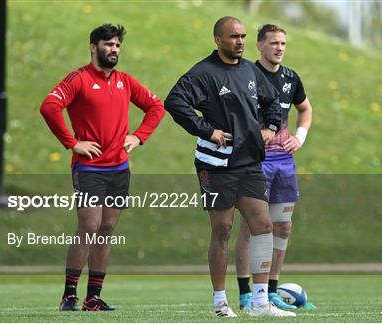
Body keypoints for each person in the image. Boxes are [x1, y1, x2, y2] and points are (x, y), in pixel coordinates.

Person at [164, 17, 295, 318]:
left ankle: (261, 303)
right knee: (222, 230)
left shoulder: (250, 69)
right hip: (216, 164)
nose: (240, 41)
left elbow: (272, 100)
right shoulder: (203, 73)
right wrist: (206, 131)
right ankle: (220, 302)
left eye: (243, 36)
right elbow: (175, 102)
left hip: (248, 162)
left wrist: (271, 128)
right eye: (233, 36)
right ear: (218, 39)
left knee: (263, 226)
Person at [40, 24, 165, 311]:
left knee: (107, 228)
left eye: (117, 45)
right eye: (108, 44)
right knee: (89, 226)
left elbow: (156, 106)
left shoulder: (125, 80)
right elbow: (49, 106)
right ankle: (69, 295)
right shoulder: (79, 79)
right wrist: (72, 142)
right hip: (89, 169)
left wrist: (138, 136)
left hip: (119, 168)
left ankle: (92, 298)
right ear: (93, 46)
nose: (114, 50)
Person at [234, 24, 314, 310]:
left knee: (283, 226)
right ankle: (246, 292)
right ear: (260, 46)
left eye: (283, 43)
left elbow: (305, 108)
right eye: (273, 43)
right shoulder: (247, 76)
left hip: (284, 163)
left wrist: (299, 137)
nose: (279, 47)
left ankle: (271, 290)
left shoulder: (291, 78)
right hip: (255, 162)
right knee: (251, 226)